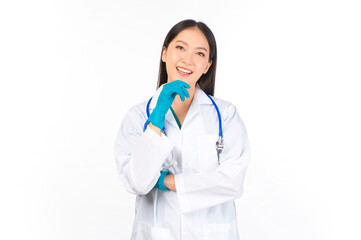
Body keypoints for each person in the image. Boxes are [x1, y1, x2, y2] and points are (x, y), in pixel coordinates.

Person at [114, 19, 251, 240]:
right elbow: (138, 182)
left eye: (199, 54)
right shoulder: (138, 116)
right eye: (180, 48)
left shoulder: (225, 115)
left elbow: (232, 182)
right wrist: (155, 123)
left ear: (207, 65)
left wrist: (166, 182)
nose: (188, 59)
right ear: (164, 53)